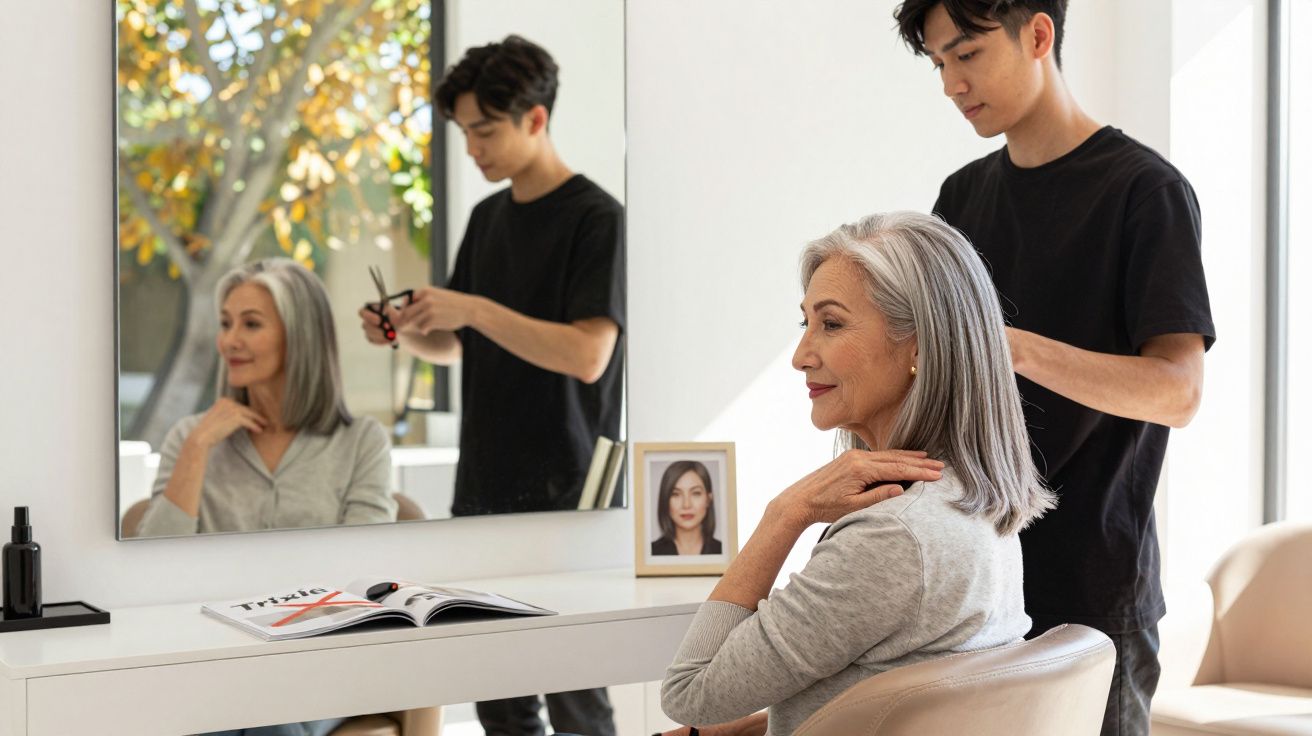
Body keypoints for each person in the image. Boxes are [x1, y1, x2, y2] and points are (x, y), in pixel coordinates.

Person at [891, 2, 1215, 733]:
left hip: (1096, 598)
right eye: (939, 63)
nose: (950, 83)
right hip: (972, 585)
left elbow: (1178, 392)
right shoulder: (961, 197)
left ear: (1038, 35)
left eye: (967, 54)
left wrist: (1015, 346)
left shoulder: (1145, 192)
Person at [659, 212, 1056, 736]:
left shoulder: (894, 536)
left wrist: (785, 513)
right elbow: (894, 699)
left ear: (918, 345)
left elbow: (690, 693)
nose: (801, 356)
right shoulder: (971, 504)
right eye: (806, 323)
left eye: (832, 323)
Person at [359, 35, 622, 736]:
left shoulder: (597, 220)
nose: (472, 148)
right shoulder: (487, 218)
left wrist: (470, 307)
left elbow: (588, 354)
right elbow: (457, 348)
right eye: (463, 132)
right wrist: (404, 331)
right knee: (496, 690)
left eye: (484, 130)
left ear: (535, 119)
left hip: (567, 488)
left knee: (574, 690)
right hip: (485, 485)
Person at [138, 258, 396, 537]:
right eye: (226, 324)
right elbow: (154, 563)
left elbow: (367, 560)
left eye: (251, 324)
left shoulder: (362, 443)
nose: (229, 341)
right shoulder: (189, 437)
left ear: (300, 336)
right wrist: (196, 449)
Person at [651, 461, 723, 556]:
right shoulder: (651, 553)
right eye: (676, 494)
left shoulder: (724, 552)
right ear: (665, 500)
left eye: (696, 493)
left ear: (708, 499)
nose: (686, 505)